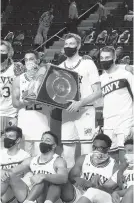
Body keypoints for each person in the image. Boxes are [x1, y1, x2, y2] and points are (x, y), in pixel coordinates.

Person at [32, 133, 120, 203]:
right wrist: (81, 180)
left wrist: (99, 186)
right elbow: (71, 177)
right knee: (61, 180)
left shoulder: (114, 166)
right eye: (94, 147)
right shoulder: (84, 158)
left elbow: (115, 191)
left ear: (108, 149)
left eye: (100, 148)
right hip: (78, 196)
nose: (96, 150)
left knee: (92, 191)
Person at [4, 131, 68, 203]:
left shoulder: (59, 160)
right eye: (42, 140)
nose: (43, 142)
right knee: (7, 175)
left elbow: (64, 178)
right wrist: (3, 172)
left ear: (54, 146)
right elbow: (12, 171)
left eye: (47, 140)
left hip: (49, 197)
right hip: (31, 197)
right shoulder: (32, 160)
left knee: (41, 180)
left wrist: (43, 176)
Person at [59, 33, 101, 169]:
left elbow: (98, 91)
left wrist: (80, 102)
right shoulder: (59, 67)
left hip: (86, 110)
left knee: (87, 151)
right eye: (66, 44)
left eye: (71, 44)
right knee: (67, 153)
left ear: (79, 45)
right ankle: (70, 187)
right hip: (67, 112)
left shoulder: (87, 63)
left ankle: (86, 185)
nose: (68, 47)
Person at [82, 138, 134, 203]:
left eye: (130, 151)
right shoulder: (122, 170)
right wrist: (96, 184)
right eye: (126, 151)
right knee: (93, 191)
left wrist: (118, 193)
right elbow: (106, 187)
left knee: (132, 189)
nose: (127, 154)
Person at [12, 50, 51, 157]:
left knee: (42, 157)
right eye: (26, 59)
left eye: (31, 59)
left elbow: (52, 102)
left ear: (38, 60)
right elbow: (15, 103)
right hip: (25, 125)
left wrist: (41, 99)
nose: (29, 62)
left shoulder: (47, 78)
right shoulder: (18, 80)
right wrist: (25, 101)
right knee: (25, 158)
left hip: (42, 123)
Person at [99, 46, 134, 164]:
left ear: (114, 57)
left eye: (107, 57)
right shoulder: (101, 79)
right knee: (111, 158)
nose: (104, 60)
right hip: (108, 121)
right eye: (102, 58)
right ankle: (114, 181)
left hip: (126, 119)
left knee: (126, 157)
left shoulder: (126, 74)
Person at [1, 126, 31, 203]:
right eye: (6, 136)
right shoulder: (0, 154)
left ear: (18, 140)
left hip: (19, 195)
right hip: (5, 195)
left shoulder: (25, 156)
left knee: (8, 174)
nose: (7, 139)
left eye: (10, 136)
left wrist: (3, 171)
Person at [0, 41, 17, 138]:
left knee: (10, 145)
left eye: (2, 51)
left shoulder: (16, 68)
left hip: (11, 113)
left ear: (9, 53)